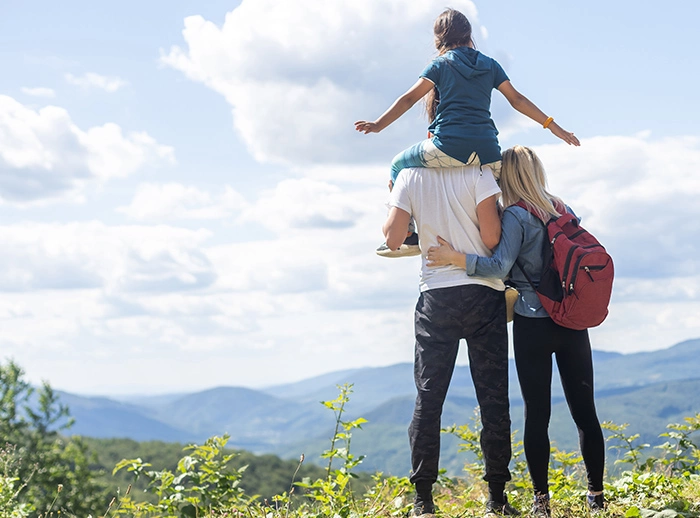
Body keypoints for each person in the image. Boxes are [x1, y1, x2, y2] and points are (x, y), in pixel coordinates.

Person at [426, 145, 606, 517]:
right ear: (536, 172)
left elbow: (498, 265)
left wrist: (455, 258)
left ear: (504, 176)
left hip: (532, 323)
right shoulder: (562, 207)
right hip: (572, 322)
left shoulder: (515, 216)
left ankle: (542, 503)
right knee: (585, 412)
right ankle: (596, 497)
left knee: (537, 415)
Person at [356, 8, 580, 258]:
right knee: (491, 210)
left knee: (397, 165)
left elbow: (409, 99)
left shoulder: (440, 64)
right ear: (469, 34)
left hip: (447, 147)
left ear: (439, 38)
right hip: (488, 154)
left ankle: (408, 235)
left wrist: (378, 124)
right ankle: (507, 250)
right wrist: (553, 126)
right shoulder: (490, 64)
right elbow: (517, 99)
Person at [383, 163, 519, 517]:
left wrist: (396, 200)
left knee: (429, 397)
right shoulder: (479, 174)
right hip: (482, 295)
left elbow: (393, 239)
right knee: (493, 398)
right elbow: (491, 240)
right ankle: (496, 500)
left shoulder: (409, 176)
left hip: (437, 297)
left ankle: (423, 501)